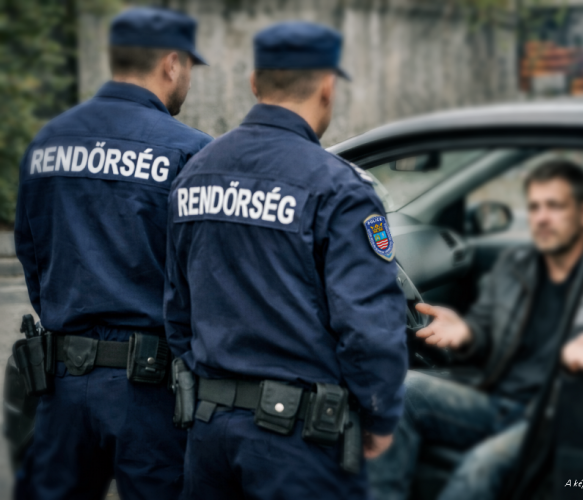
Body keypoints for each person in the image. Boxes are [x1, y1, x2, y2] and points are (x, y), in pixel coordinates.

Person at [163, 21, 408, 499]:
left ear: (255, 82)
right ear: (328, 86)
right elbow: (367, 328)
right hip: (299, 444)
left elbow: (177, 312)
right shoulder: (339, 188)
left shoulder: (195, 173)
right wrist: (381, 417)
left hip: (208, 433)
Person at [13, 7, 212, 499]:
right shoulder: (190, 153)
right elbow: (205, 281)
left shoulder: (47, 142)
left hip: (60, 386)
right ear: (171, 62)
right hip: (150, 395)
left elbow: (33, 257)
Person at [368, 160, 583, 500]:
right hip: (503, 401)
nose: (542, 217)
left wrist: (582, 365)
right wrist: (467, 333)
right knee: (400, 390)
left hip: (557, 415)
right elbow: (488, 331)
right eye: (535, 207)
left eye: (555, 206)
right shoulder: (519, 266)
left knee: (481, 465)